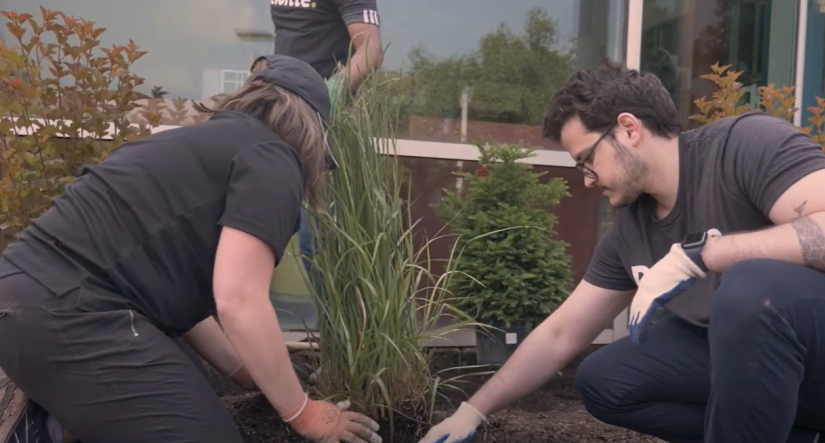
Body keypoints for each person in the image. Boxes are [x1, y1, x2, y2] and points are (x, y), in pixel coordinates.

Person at [418, 60, 825, 443]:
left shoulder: (744, 146)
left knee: (750, 287)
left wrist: (704, 254)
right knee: (606, 380)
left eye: (586, 161)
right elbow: (562, 333)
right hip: (767, 376)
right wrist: (473, 411)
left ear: (629, 129)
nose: (588, 181)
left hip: (813, 353)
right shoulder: (631, 229)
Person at [0, 54, 381, 443]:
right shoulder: (273, 157)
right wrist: (304, 413)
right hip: (72, 312)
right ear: (311, 132)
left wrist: (250, 372)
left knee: (190, 391)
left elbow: (175, 294)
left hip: (28, 303)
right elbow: (239, 299)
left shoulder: (198, 148)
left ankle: (68, 424)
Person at [270, 0, 384, 283]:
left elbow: (370, 51)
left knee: (319, 246)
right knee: (250, 229)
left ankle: (340, 326)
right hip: (280, 119)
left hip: (323, 125)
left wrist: (328, 95)